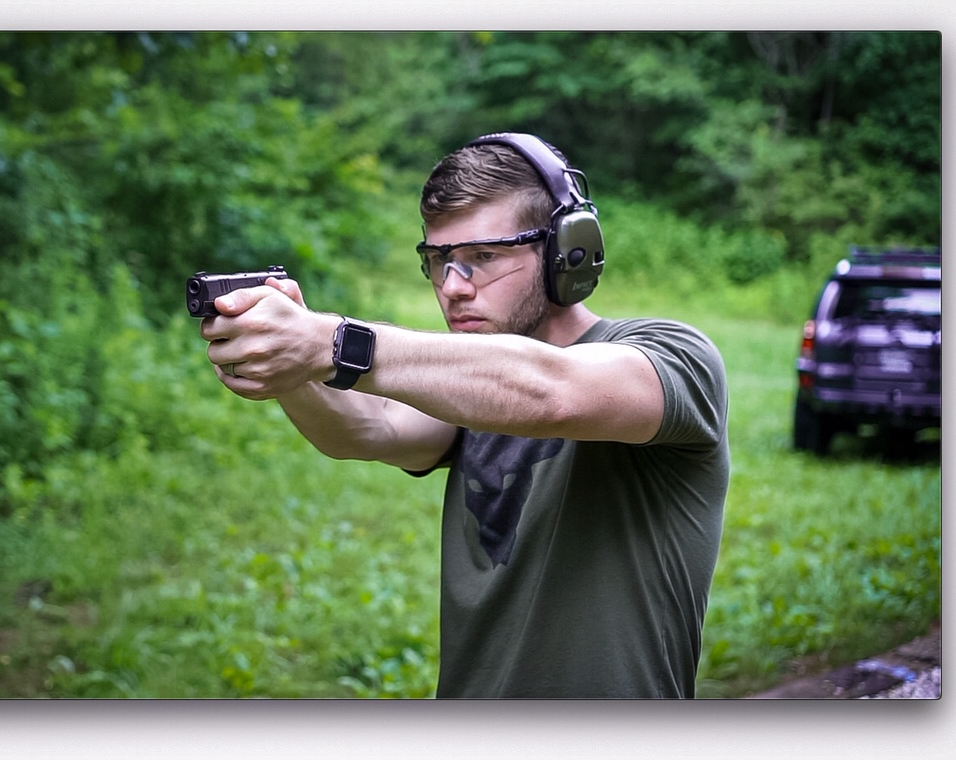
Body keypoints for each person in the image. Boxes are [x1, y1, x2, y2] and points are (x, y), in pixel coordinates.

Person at [197, 132, 729, 698]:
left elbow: (553, 393)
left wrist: (333, 343)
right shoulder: (469, 392)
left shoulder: (674, 355)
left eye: (482, 257)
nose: (453, 287)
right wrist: (291, 368)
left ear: (565, 252)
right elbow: (365, 427)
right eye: (439, 260)